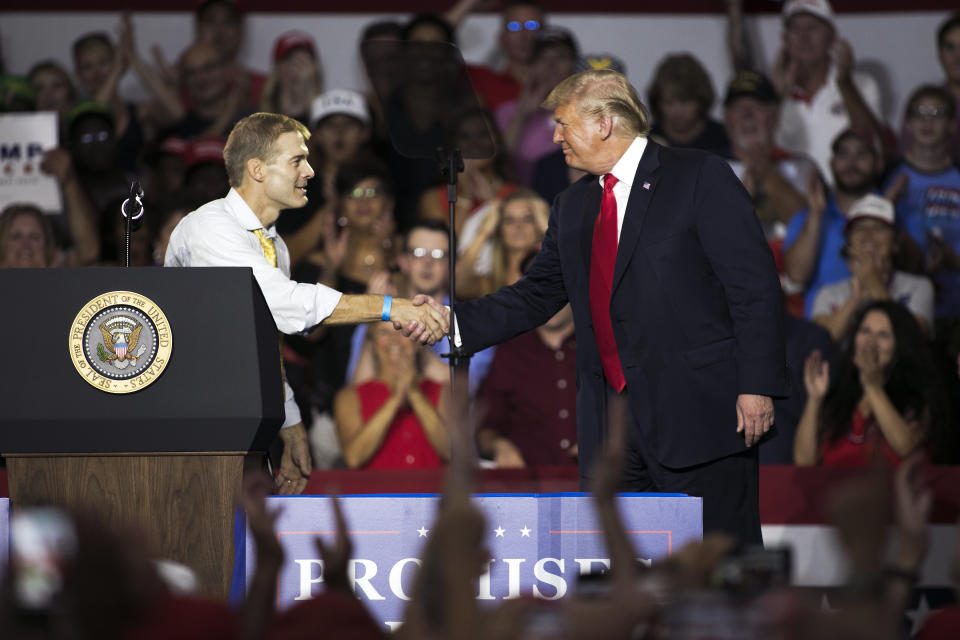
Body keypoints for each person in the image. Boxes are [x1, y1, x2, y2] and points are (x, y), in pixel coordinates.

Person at [454, 70, 787, 544]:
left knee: (719, 573)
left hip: (700, 418)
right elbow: (536, 294)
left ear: (605, 123)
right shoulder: (572, 205)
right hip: (611, 433)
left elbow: (753, 287)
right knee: (621, 581)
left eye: (564, 124)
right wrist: (451, 322)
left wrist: (757, 385)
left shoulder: (697, 176)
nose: (554, 136)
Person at [164, 112, 449, 494]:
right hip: (191, 426)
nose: (311, 171)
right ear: (258, 169)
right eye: (297, 160)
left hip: (235, 422)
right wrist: (391, 306)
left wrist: (290, 424)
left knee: (240, 547)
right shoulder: (212, 227)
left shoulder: (273, 244)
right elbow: (287, 305)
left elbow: (263, 343)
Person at [794, 301, 945, 467]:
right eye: (865, 331)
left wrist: (872, 386)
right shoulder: (838, 393)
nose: (870, 342)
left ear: (900, 345)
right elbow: (804, 461)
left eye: (883, 335)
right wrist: (814, 400)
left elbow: (907, 448)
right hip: (835, 491)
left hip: (892, 491)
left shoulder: (918, 397)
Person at [772, 0, 888, 182]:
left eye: (813, 28)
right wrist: (777, 97)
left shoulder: (862, 83)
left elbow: (875, 145)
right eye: (796, 29)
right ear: (785, 39)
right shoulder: (770, 90)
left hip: (848, 196)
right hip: (791, 202)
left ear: (832, 35)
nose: (804, 37)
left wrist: (845, 84)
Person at [782, 127, 884, 317]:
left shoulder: (896, 215)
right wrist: (815, 216)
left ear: (878, 163)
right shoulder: (806, 218)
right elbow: (795, 279)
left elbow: (911, 267)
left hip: (877, 333)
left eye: (861, 155)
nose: (851, 163)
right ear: (831, 163)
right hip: (822, 333)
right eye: (843, 155)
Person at [811, 195, 934, 341]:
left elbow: (914, 341)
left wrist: (874, 284)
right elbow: (820, 344)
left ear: (895, 242)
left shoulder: (919, 287)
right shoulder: (829, 294)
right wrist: (855, 300)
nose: (868, 235)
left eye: (878, 228)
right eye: (859, 229)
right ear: (849, 245)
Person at [334, 321, 450, 469]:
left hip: (432, 491)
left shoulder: (442, 392)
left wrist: (414, 393)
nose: (394, 339)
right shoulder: (349, 397)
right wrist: (395, 399)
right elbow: (353, 458)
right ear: (372, 343)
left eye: (403, 331)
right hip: (378, 491)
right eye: (384, 333)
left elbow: (451, 452)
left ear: (417, 341)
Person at [455, 188, 549, 300]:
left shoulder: (552, 275)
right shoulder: (489, 283)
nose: (518, 226)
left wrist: (548, 228)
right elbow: (458, 285)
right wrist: (484, 232)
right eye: (509, 220)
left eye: (527, 219)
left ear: (538, 224)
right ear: (500, 229)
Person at [646, 53, 732, 159]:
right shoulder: (644, 142)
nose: (677, 112)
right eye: (668, 102)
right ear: (658, 102)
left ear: (700, 99)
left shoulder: (724, 139)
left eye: (684, 102)